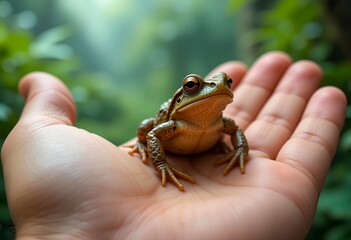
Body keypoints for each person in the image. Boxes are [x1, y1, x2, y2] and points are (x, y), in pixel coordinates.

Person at [1, 51, 346, 239]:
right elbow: (150, 134)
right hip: (175, 137)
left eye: (224, 84)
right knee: (144, 126)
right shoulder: (172, 124)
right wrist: (160, 164)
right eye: (196, 85)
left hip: (205, 138)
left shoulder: (221, 122)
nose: (217, 87)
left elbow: (237, 130)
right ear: (185, 93)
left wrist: (241, 150)